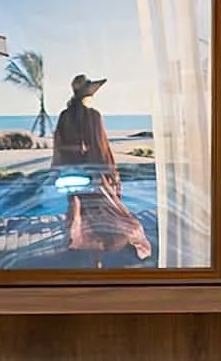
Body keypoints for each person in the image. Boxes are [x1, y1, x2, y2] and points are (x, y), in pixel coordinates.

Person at [50, 73, 153, 264]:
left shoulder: (65, 116)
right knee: (107, 211)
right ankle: (103, 249)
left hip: (71, 174)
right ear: (88, 95)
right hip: (92, 173)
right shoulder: (93, 115)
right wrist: (110, 174)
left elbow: (59, 146)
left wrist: (59, 170)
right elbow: (100, 147)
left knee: (81, 211)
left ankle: (87, 248)